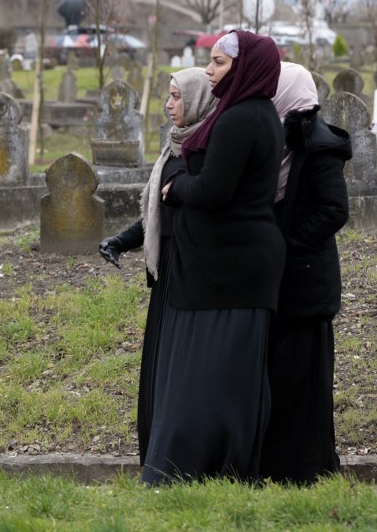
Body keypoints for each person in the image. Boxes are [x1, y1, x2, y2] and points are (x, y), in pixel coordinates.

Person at [142, 29, 286, 485]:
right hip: (227, 267)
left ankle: (193, 467)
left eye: (219, 63)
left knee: (207, 377)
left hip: (228, 270)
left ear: (245, 68)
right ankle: (213, 468)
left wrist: (177, 186)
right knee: (221, 376)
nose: (209, 70)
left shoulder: (242, 118)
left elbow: (215, 190)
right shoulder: (253, 113)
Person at [98, 67, 217, 466]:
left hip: (191, 273)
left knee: (179, 366)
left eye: (177, 97)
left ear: (198, 99)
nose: (168, 105)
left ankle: (178, 455)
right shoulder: (173, 146)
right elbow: (157, 215)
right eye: (168, 96)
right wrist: (121, 240)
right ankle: (155, 452)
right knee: (158, 363)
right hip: (166, 274)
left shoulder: (205, 151)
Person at [260, 62, 351, 485]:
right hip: (280, 281)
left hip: (307, 283)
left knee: (305, 382)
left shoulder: (318, 144)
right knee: (280, 378)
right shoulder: (279, 138)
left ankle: (308, 469)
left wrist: (288, 246)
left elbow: (333, 210)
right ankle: (277, 466)